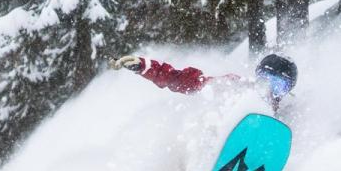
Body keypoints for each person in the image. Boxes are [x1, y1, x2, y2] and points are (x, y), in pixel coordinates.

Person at [109, 52, 298, 117]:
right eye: (266, 80)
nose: (270, 89)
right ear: (257, 76)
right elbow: (183, 80)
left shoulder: (289, 112)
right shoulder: (236, 87)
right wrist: (143, 66)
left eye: (279, 85)